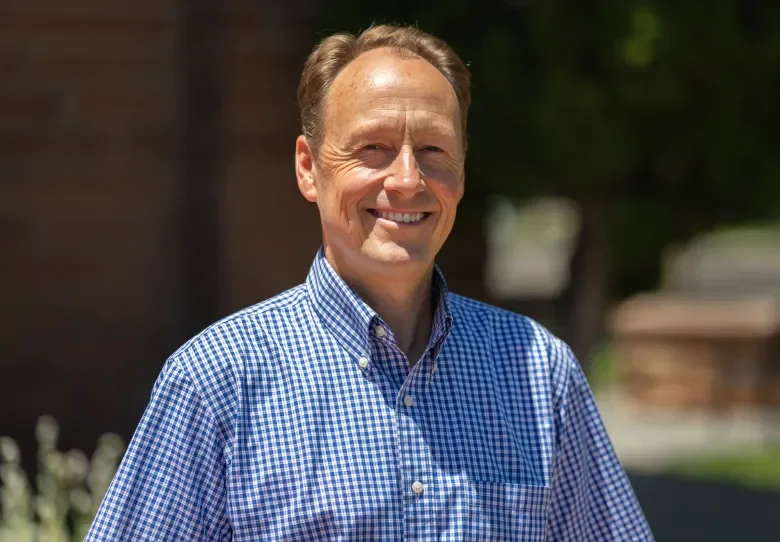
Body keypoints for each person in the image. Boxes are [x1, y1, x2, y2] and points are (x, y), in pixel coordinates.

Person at [85, 24, 653, 541]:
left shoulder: (538, 374)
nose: (407, 180)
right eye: (372, 148)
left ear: (461, 170)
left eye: (433, 150)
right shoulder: (217, 383)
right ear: (308, 168)